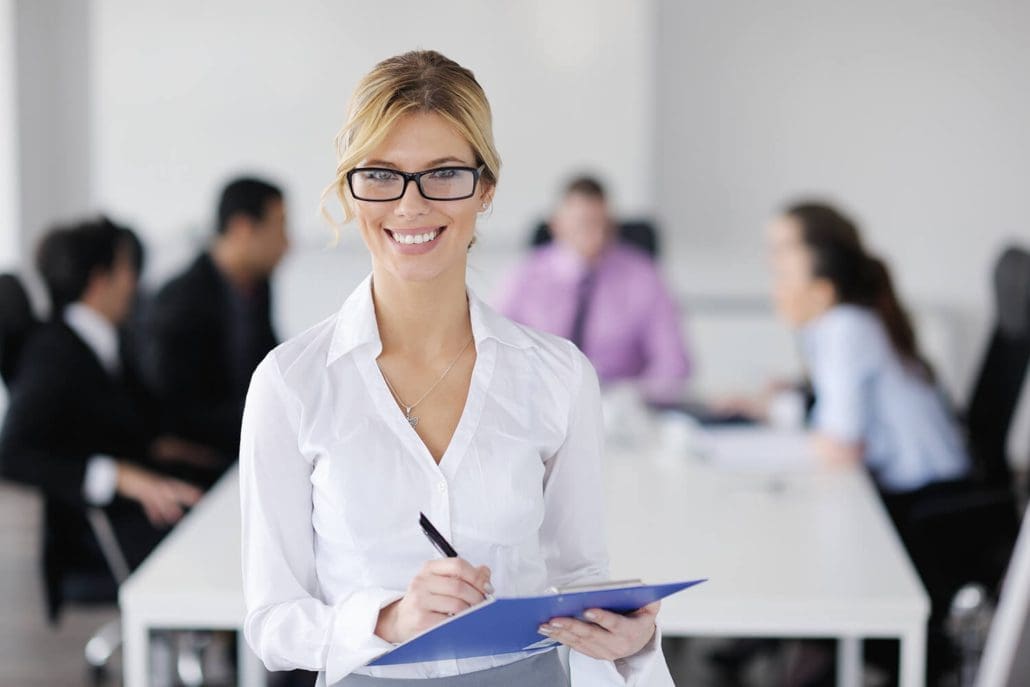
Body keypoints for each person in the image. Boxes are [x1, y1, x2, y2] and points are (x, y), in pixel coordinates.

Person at [239, 51, 672, 686]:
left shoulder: (558, 376)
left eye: (443, 174)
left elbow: (579, 578)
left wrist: (630, 636)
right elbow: (272, 621)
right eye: (382, 175)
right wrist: (388, 619)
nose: (411, 205)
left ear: (486, 188)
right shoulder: (291, 382)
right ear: (350, 190)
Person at [0, 218, 203, 619]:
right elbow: (12, 453)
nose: (135, 282)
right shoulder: (55, 353)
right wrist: (118, 476)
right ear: (99, 280)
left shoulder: (104, 341)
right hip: (101, 533)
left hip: (137, 512)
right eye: (127, 269)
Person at [496, 176, 690, 402]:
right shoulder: (523, 276)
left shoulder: (644, 276)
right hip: (540, 402)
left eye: (603, 225)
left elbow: (674, 363)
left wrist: (632, 396)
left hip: (619, 410)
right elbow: (494, 350)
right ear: (556, 225)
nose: (596, 236)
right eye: (583, 224)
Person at [142, 176, 288, 468]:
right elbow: (174, 412)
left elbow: (270, 368)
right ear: (243, 229)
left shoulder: (256, 287)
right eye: (279, 227)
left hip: (252, 447)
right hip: (200, 464)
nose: (287, 243)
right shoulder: (180, 302)